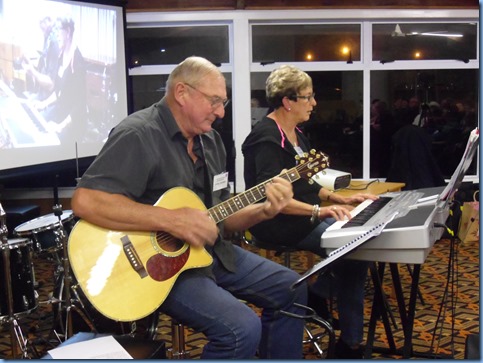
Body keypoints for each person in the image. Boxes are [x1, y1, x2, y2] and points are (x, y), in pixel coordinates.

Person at [71, 56, 307, 359]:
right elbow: (86, 200)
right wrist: (171, 220)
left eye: (223, 102)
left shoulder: (212, 142)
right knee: (241, 328)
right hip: (154, 269)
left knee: (292, 286)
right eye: (215, 101)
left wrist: (264, 211)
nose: (221, 112)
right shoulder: (139, 134)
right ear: (182, 93)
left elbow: (220, 217)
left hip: (210, 253)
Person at [242, 64, 378, 359]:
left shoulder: (296, 134)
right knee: (352, 250)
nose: (314, 103)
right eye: (308, 97)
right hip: (275, 221)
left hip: (302, 213)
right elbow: (273, 198)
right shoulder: (266, 139)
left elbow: (306, 182)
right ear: (288, 101)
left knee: (356, 249)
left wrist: (338, 198)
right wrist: (320, 211)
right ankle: (349, 344)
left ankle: (320, 295)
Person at [36, 16, 87, 144]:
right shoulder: (61, 55)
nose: (56, 34)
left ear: (68, 32)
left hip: (72, 121)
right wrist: (44, 104)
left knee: (48, 140)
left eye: (58, 30)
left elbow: (79, 105)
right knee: (39, 121)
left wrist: (60, 126)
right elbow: (58, 92)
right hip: (60, 111)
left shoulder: (77, 62)